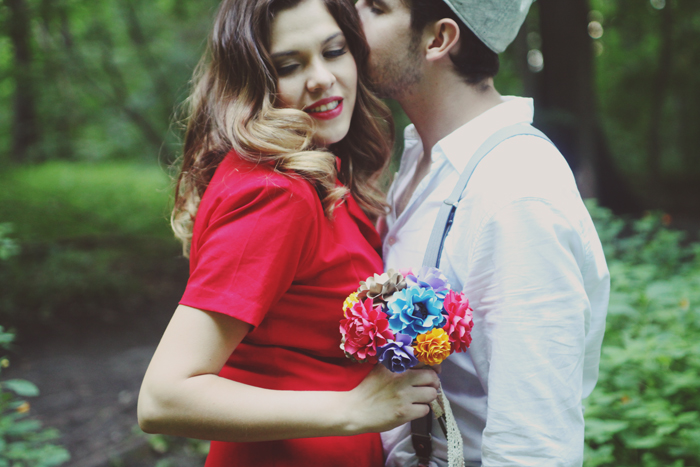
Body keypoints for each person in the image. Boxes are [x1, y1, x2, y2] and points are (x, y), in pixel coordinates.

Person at [136, 0, 441, 465]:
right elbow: (164, 397)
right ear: (254, 82)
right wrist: (352, 408)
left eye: (334, 51)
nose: (321, 78)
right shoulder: (277, 195)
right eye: (289, 66)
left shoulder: (313, 177)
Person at [355, 0, 610, 465]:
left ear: (438, 39)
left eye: (375, 6)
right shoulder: (423, 157)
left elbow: (534, 447)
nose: (351, 13)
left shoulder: (515, 191)